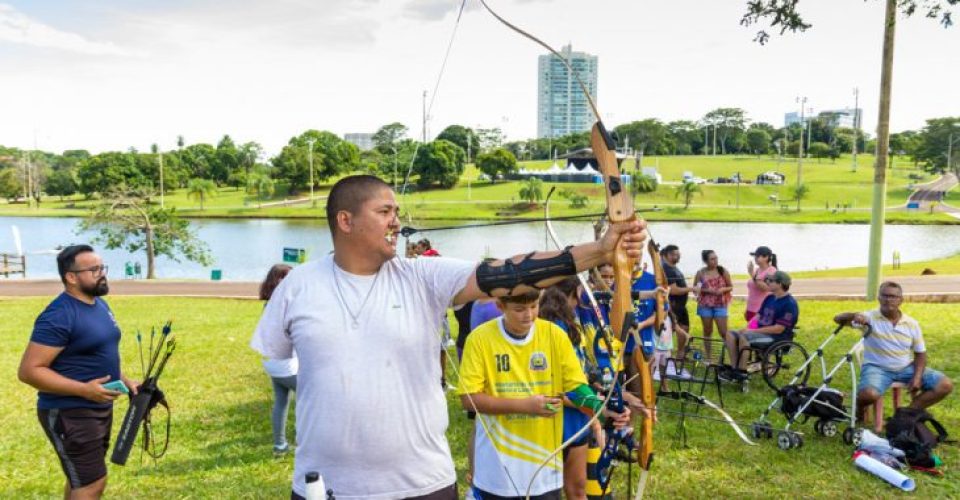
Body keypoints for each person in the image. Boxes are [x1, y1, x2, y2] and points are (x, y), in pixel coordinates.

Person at [250, 175, 647, 499]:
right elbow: (278, 356)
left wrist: (600, 250)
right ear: (345, 221)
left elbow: (508, 273)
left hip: (423, 483)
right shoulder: (298, 285)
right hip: (326, 485)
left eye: (397, 212)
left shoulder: (422, 276)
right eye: (385, 211)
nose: (396, 222)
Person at [459, 290, 630, 500]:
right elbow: (469, 399)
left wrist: (601, 410)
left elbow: (576, 387)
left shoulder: (554, 334)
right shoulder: (480, 338)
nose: (528, 315)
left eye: (533, 306)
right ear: (500, 305)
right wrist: (525, 406)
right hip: (496, 472)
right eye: (519, 309)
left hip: (544, 470)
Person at [18, 245, 138, 500]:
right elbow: (29, 371)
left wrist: (125, 380)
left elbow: (97, 351)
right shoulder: (59, 315)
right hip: (69, 411)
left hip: (96, 406)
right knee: (92, 483)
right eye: (93, 269)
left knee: (81, 480)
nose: (102, 274)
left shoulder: (98, 304)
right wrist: (84, 389)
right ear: (71, 277)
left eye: (102, 267)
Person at [834, 281, 953, 423]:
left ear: (901, 300)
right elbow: (838, 319)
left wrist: (916, 377)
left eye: (893, 296)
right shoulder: (868, 318)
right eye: (884, 296)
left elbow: (920, 354)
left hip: (906, 367)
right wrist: (854, 315)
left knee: (945, 385)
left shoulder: (911, 324)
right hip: (877, 368)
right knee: (868, 395)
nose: (888, 299)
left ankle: (904, 415)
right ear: (879, 298)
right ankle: (859, 408)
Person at [538, 279, 600, 500]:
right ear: (575, 291)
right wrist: (596, 407)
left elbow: (578, 369)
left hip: (576, 418)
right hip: (557, 419)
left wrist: (596, 387)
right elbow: (557, 384)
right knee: (551, 491)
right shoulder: (552, 329)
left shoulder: (568, 322)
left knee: (577, 488)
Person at [725, 271, 799, 379]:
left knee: (745, 337)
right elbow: (758, 316)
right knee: (730, 334)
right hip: (760, 333)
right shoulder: (769, 298)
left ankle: (741, 371)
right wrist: (748, 328)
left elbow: (778, 329)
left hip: (777, 338)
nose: (768, 282)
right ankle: (734, 367)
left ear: (780, 284)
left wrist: (751, 332)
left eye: (771, 281)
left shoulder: (789, 304)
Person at [258, 264, 297, 455]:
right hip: (287, 365)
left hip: (273, 364)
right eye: (288, 277)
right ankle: (306, 441)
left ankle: (279, 445)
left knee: (281, 402)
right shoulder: (285, 303)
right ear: (279, 280)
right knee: (312, 399)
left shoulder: (269, 303)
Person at [694, 250, 732, 352]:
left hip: (720, 304)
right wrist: (706, 290)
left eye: (716, 258)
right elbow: (695, 290)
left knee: (723, 332)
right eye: (712, 259)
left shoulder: (722, 271)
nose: (715, 261)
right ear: (705, 261)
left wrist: (722, 290)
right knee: (707, 331)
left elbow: (730, 286)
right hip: (705, 305)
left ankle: (731, 353)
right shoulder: (700, 273)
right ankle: (709, 356)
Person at [659, 244, 696, 334]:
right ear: (667, 255)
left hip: (681, 305)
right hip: (674, 305)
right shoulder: (667, 269)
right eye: (674, 254)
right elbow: (674, 290)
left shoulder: (672, 267)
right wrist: (692, 288)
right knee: (671, 329)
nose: (677, 257)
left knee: (685, 327)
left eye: (678, 254)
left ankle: (681, 349)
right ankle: (666, 347)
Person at [745, 246, 778, 323]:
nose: (755, 258)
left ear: (766, 257)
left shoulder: (771, 270)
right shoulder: (756, 270)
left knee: (757, 332)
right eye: (755, 256)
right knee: (751, 332)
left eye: (758, 256)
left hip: (762, 310)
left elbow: (766, 288)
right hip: (751, 308)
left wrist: (752, 274)